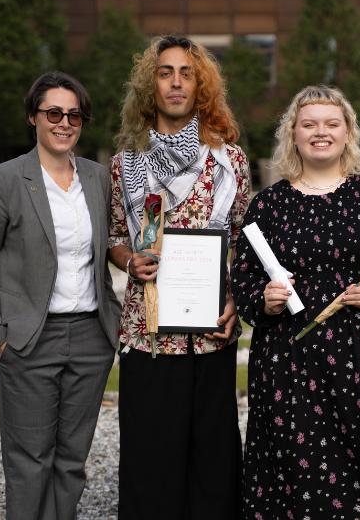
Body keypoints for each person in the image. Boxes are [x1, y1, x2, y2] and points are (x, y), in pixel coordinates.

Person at [231, 85, 360, 518]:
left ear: (348, 133)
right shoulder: (269, 204)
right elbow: (245, 278)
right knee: (302, 471)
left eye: (332, 124)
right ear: (293, 134)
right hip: (292, 364)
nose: (320, 133)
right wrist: (266, 298)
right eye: (309, 124)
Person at [0, 71, 121, 519]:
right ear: (34, 117)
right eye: (54, 112)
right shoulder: (4, 180)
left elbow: (112, 248)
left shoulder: (99, 179)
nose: (64, 122)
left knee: (72, 461)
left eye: (74, 115)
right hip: (28, 340)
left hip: (92, 337)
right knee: (29, 460)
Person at [108, 35, 251, 520]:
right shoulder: (126, 164)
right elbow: (113, 237)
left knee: (211, 460)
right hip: (148, 331)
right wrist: (130, 260)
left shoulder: (228, 162)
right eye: (165, 72)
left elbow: (244, 241)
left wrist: (235, 300)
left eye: (186, 73)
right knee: (151, 457)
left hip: (210, 330)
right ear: (151, 85)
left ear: (200, 85)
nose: (175, 82)